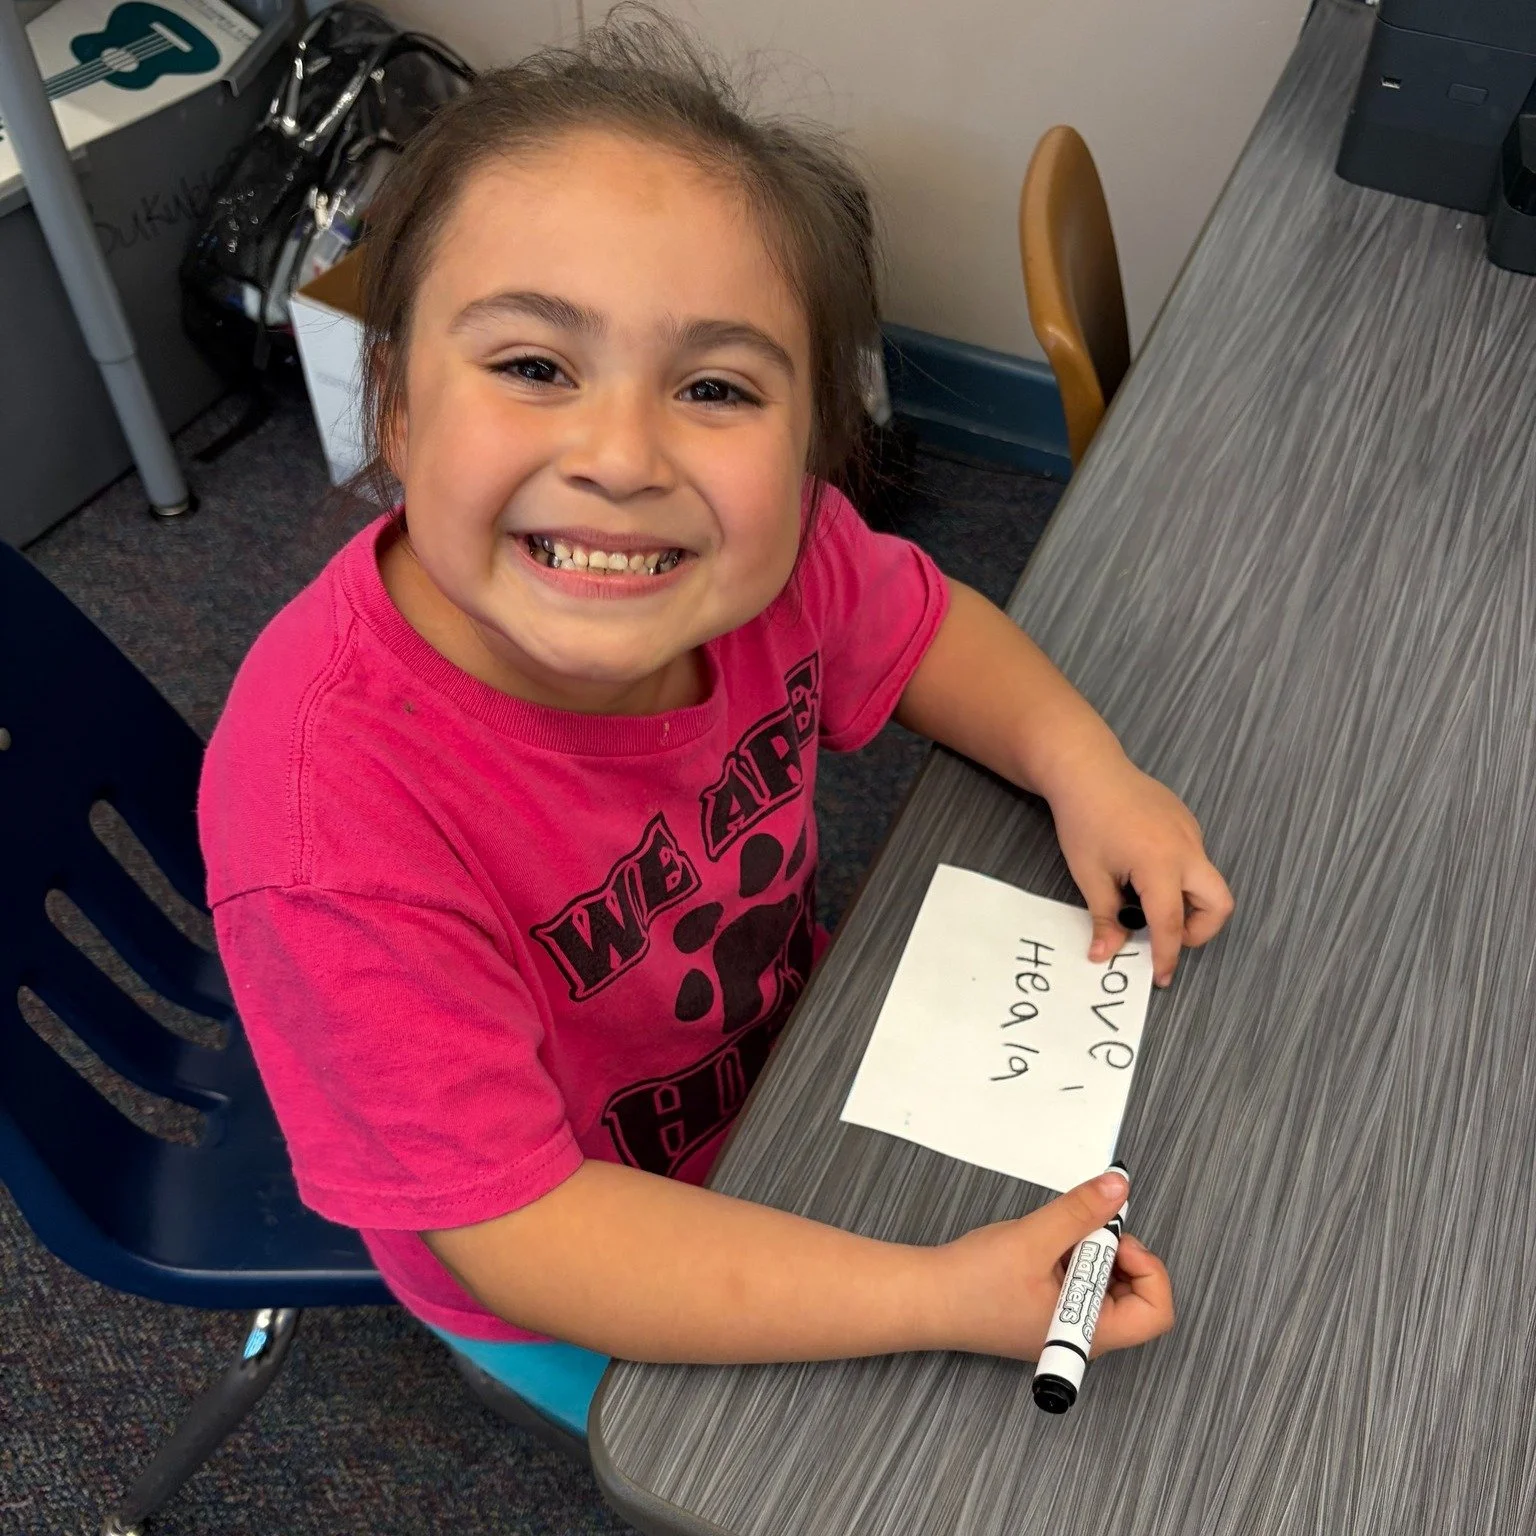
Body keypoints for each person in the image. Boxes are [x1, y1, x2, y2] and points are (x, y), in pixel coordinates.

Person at [199, 8, 1233, 1443]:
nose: (624, 457)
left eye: (715, 389)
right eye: (533, 365)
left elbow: (928, 628)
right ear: (397, 409)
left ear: (813, 446)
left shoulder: (773, 554)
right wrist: (940, 1296)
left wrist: (1085, 767)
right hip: (575, 1256)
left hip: (785, 1068)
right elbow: (525, 1235)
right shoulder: (330, 819)